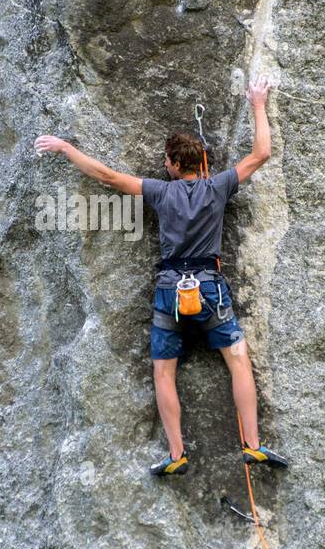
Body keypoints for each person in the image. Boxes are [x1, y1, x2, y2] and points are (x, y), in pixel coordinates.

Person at [34, 75, 290, 476]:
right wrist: (257, 102)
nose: (163, 164)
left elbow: (107, 177)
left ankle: (177, 453)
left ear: (173, 165)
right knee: (238, 359)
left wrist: (66, 148)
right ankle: (253, 445)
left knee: (163, 370)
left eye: (165, 160)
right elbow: (261, 153)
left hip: (171, 291)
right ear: (197, 163)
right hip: (209, 288)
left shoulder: (160, 191)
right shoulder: (217, 188)